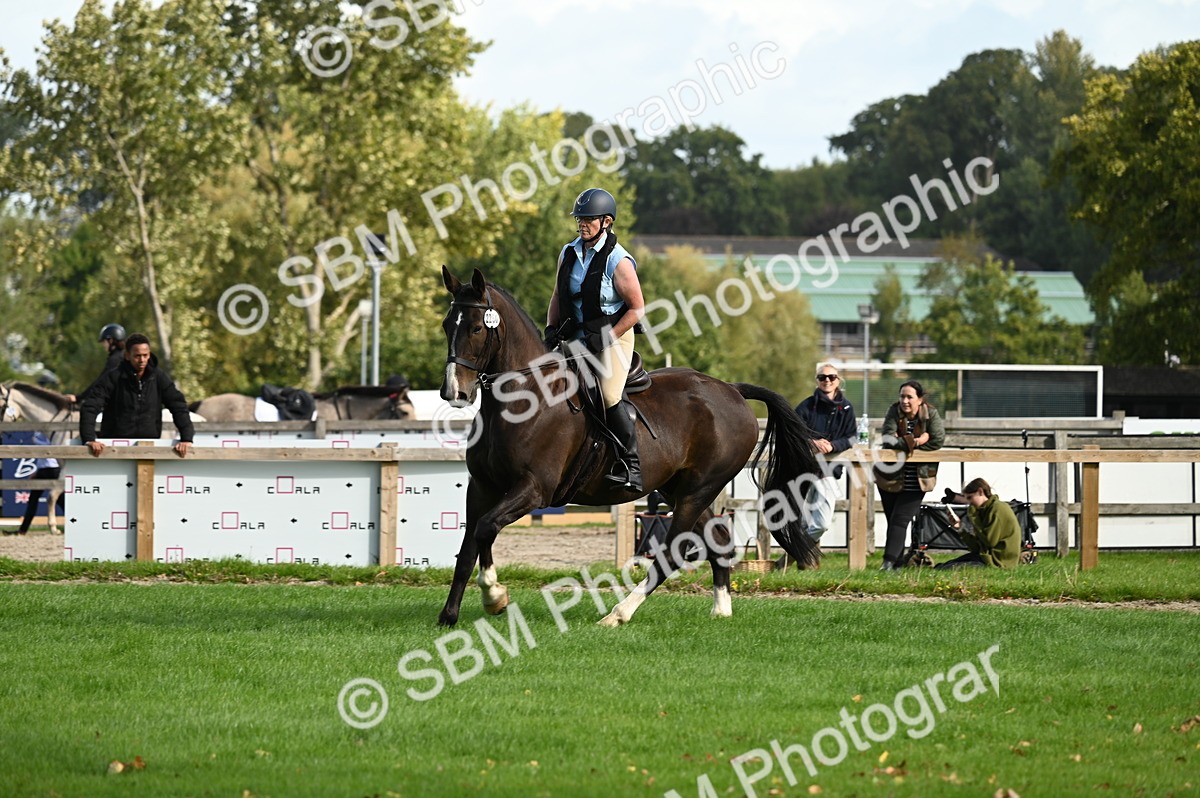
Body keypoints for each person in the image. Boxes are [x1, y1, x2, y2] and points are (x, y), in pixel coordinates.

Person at [544, 188, 646, 491]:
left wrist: (608, 338)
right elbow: (557, 294)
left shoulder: (618, 260)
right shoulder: (568, 251)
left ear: (607, 222)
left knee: (608, 393)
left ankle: (632, 466)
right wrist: (550, 328)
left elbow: (638, 308)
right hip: (576, 335)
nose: (582, 224)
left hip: (615, 335)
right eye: (580, 219)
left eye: (588, 219)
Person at [79, 332, 194, 458]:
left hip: (150, 447)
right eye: (137, 356)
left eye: (145, 355)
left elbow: (178, 406)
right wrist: (89, 439)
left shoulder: (159, 377)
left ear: (149, 354)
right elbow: (90, 406)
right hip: (114, 448)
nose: (142, 360)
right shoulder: (113, 377)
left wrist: (187, 438)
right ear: (127, 356)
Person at [875, 379, 944, 570]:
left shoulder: (931, 414)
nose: (904, 401)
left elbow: (937, 441)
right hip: (889, 477)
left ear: (920, 399)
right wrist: (918, 440)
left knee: (900, 520)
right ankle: (897, 564)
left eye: (909, 397)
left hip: (918, 478)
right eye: (902, 396)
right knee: (893, 521)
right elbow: (888, 439)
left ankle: (887, 563)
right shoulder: (893, 411)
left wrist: (904, 441)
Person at [793, 364, 856, 542]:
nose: (827, 380)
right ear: (817, 381)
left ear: (838, 380)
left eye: (831, 377)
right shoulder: (806, 406)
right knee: (801, 522)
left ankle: (796, 552)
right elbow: (793, 433)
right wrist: (812, 443)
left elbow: (851, 437)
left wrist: (833, 446)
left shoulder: (846, 408)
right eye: (822, 377)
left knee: (821, 524)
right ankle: (804, 561)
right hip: (803, 470)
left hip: (828, 472)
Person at [935, 478, 1021, 569]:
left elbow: (989, 541)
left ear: (980, 492)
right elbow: (976, 548)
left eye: (970, 497)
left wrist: (974, 517)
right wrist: (960, 528)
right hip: (986, 557)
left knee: (947, 568)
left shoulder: (997, 509)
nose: (969, 502)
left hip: (998, 562)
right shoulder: (984, 510)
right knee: (941, 566)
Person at [8, 431, 63, 536]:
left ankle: (75, 524)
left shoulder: (51, 431)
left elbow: (50, 448)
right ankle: (22, 530)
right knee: (32, 500)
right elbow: (41, 455)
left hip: (53, 467)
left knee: (61, 500)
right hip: (43, 469)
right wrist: (37, 470)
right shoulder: (37, 432)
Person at [68, 323, 128, 403]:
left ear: (111, 341)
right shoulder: (122, 356)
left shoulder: (115, 359)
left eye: (104, 341)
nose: (103, 345)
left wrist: (79, 398)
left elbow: (101, 382)